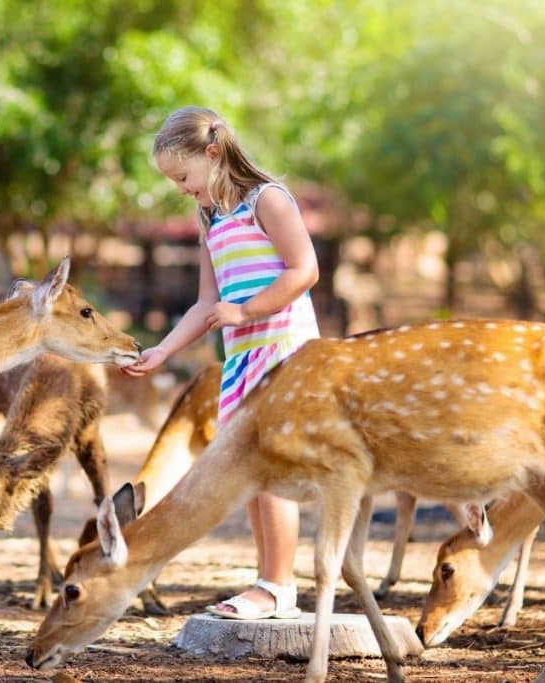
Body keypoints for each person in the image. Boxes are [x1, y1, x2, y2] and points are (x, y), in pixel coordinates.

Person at [122, 106, 320, 619]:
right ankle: (269, 582)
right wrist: (162, 350)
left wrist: (247, 310)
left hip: (283, 351)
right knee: (251, 474)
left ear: (213, 154)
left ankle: (278, 588)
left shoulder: (267, 200)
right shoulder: (210, 218)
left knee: (271, 471)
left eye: (183, 176)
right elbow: (206, 304)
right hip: (242, 359)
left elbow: (305, 270)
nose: (182, 188)